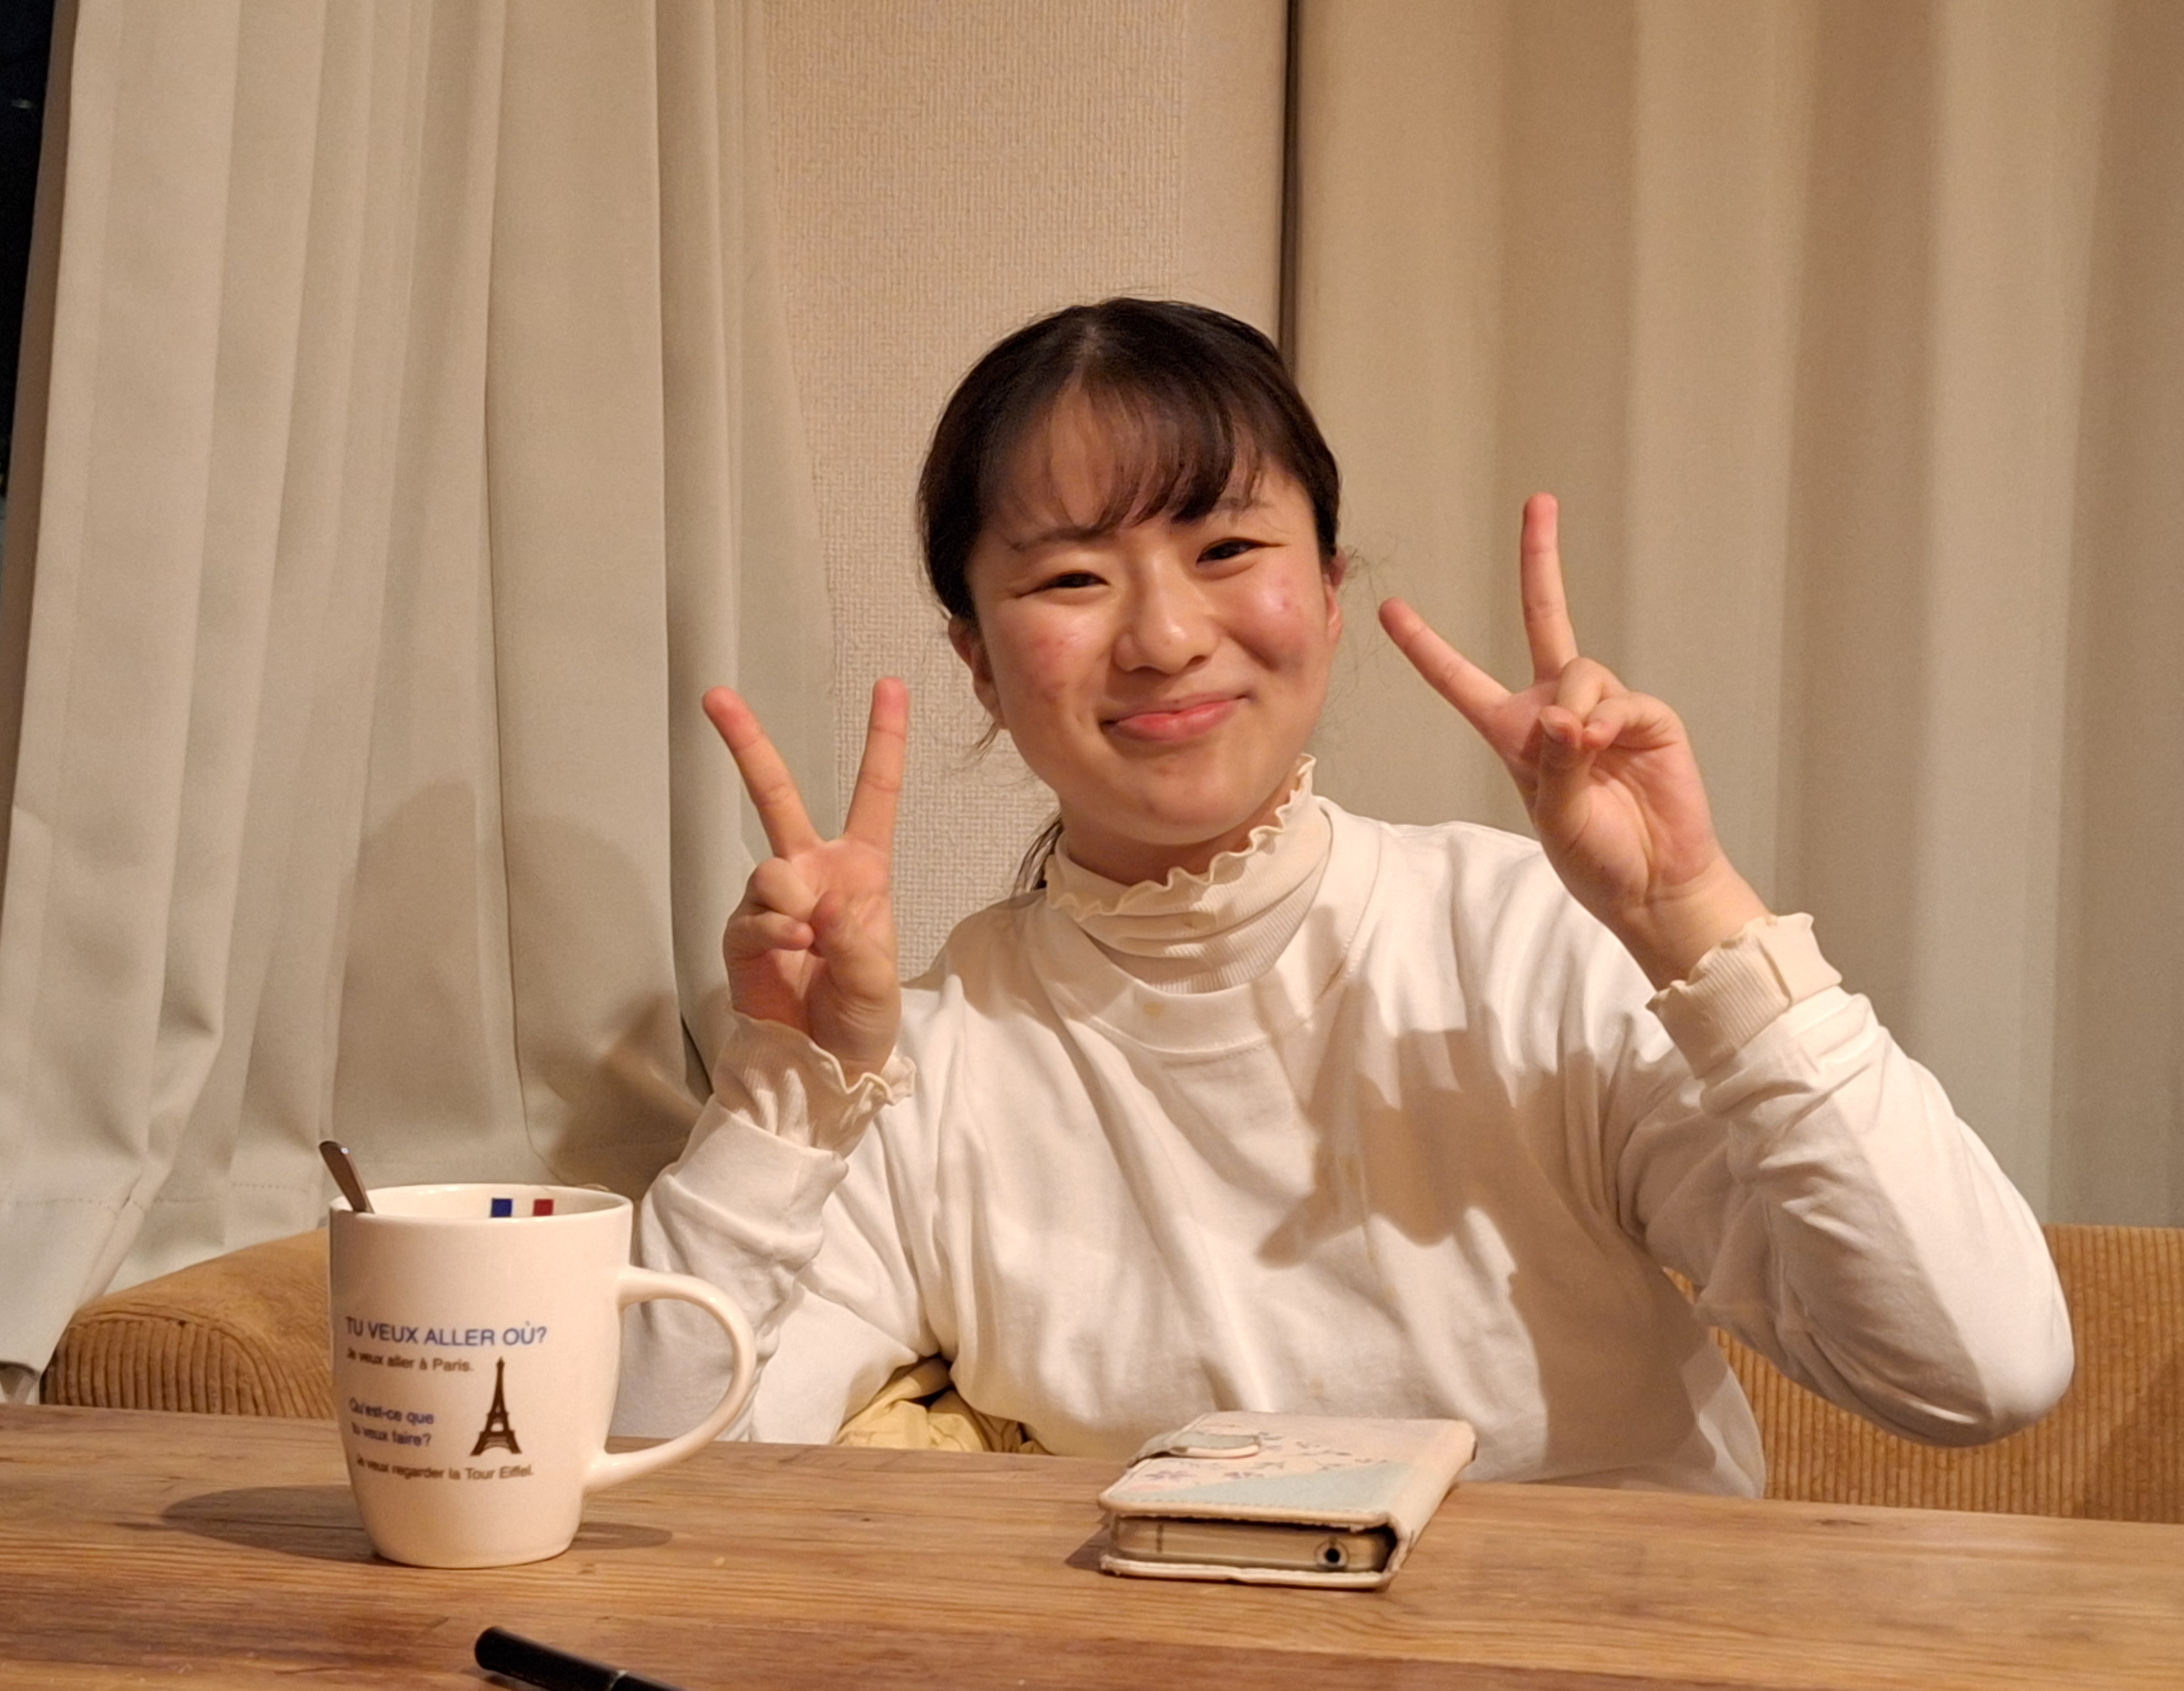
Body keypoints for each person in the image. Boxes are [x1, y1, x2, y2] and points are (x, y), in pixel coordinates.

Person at [615, 298, 2071, 1491]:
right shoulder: (928, 1062)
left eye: (1226, 549)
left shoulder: (1528, 944)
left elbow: (1978, 1371)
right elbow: (663, 1461)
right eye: (1070, 579)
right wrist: (790, 1083)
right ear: (979, 664)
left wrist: (1695, 914)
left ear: (1325, 590)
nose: (1164, 636)